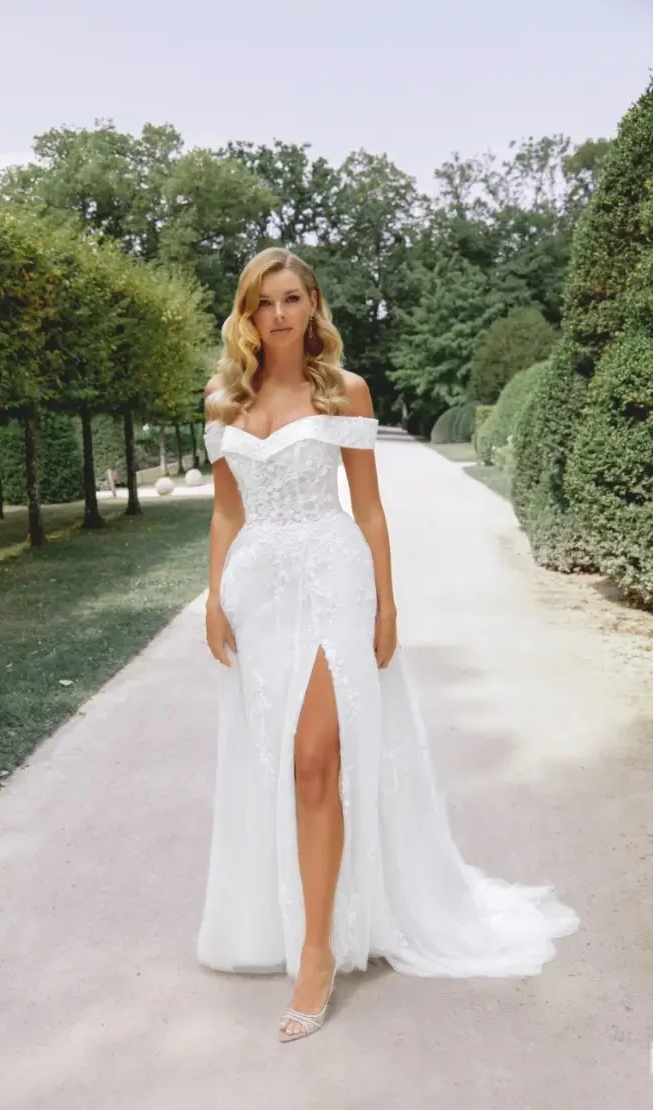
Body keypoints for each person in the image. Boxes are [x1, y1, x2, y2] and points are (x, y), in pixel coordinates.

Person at [198, 247, 579, 1044]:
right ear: (247, 311)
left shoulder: (345, 389)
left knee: (316, 757)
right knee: (283, 766)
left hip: (335, 579)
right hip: (259, 591)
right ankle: (306, 918)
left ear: (313, 305)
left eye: (293, 298)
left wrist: (386, 604)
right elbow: (226, 513)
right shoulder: (224, 400)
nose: (279, 314)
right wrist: (214, 598)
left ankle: (317, 951)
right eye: (264, 301)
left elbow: (368, 510)